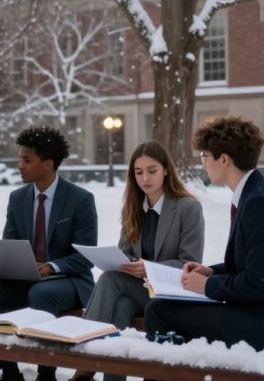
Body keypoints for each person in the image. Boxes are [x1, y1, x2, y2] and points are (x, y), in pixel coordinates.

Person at [144, 117, 264, 358]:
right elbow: (255, 265)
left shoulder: (261, 203)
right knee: (164, 309)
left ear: (224, 159)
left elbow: (258, 284)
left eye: (205, 156)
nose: (203, 164)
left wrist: (207, 286)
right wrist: (211, 273)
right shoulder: (256, 195)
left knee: (160, 311)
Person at [0, 126, 98, 381]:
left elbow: (86, 257)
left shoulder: (80, 199)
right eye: (20, 158)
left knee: (41, 293)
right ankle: (8, 372)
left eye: (27, 160)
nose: (20, 165)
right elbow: (11, 245)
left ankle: (46, 373)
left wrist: (51, 266)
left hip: (69, 281)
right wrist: (8, 264)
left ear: (48, 164)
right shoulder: (17, 198)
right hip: (27, 278)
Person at [71, 141, 204, 381]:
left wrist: (150, 268)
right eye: (138, 172)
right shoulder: (133, 207)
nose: (145, 178)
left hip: (172, 293)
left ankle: (84, 363)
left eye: (151, 171)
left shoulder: (188, 208)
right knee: (120, 304)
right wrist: (126, 262)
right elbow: (125, 252)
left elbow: (191, 263)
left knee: (110, 280)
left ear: (165, 170)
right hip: (139, 291)